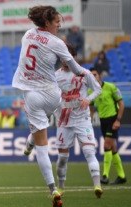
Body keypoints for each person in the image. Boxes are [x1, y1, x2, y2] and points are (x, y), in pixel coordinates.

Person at [14, 6, 85, 207]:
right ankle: (32, 137)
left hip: (33, 96)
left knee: (42, 148)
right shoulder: (57, 43)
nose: (60, 24)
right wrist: (85, 72)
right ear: (47, 23)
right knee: (41, 126)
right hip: (54, 96)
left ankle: (53, 189)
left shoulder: (27, 34)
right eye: (56, 22)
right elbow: (75, 68)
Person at [53, 44, 103, 198]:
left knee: (89, 152)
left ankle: (97, 185)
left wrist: (88, 99)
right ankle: (61, 187)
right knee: (62, 159)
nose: (64, 60)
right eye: (62, 57)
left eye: (67, 57)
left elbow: (98, 89)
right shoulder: (55, 76)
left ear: (74, 58)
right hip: (64, 121)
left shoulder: (84, 73)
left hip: (82, 120)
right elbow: (52, 95)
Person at [89, 67, 126, 185]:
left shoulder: (111, 87)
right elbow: (90, 108)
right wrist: (89, 121)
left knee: (106, 145)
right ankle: (121, 176)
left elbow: (121, 103)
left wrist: (118, 120)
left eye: (94, 74)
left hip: (113, 119)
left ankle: (105, 175)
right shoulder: (91, 91)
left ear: (99, 76)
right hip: (102, 121)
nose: (93, 77)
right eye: (91, 75)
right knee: (113, 148)